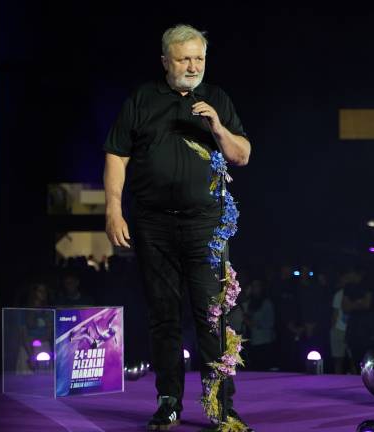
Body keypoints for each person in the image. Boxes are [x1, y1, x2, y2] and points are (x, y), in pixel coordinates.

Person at [103, 24, 252, 431]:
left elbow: (242, 155)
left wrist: (218, 127)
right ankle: (169, 402)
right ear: (165, 61)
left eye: (199, 58)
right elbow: (117, 154)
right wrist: (113, 209)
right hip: (153, 224)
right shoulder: (142, 99)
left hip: (206, 225)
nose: (193, 66)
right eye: (184, 58)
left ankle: (221, 407)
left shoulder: (216, 98)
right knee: (163, 314)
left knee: (212, 315)